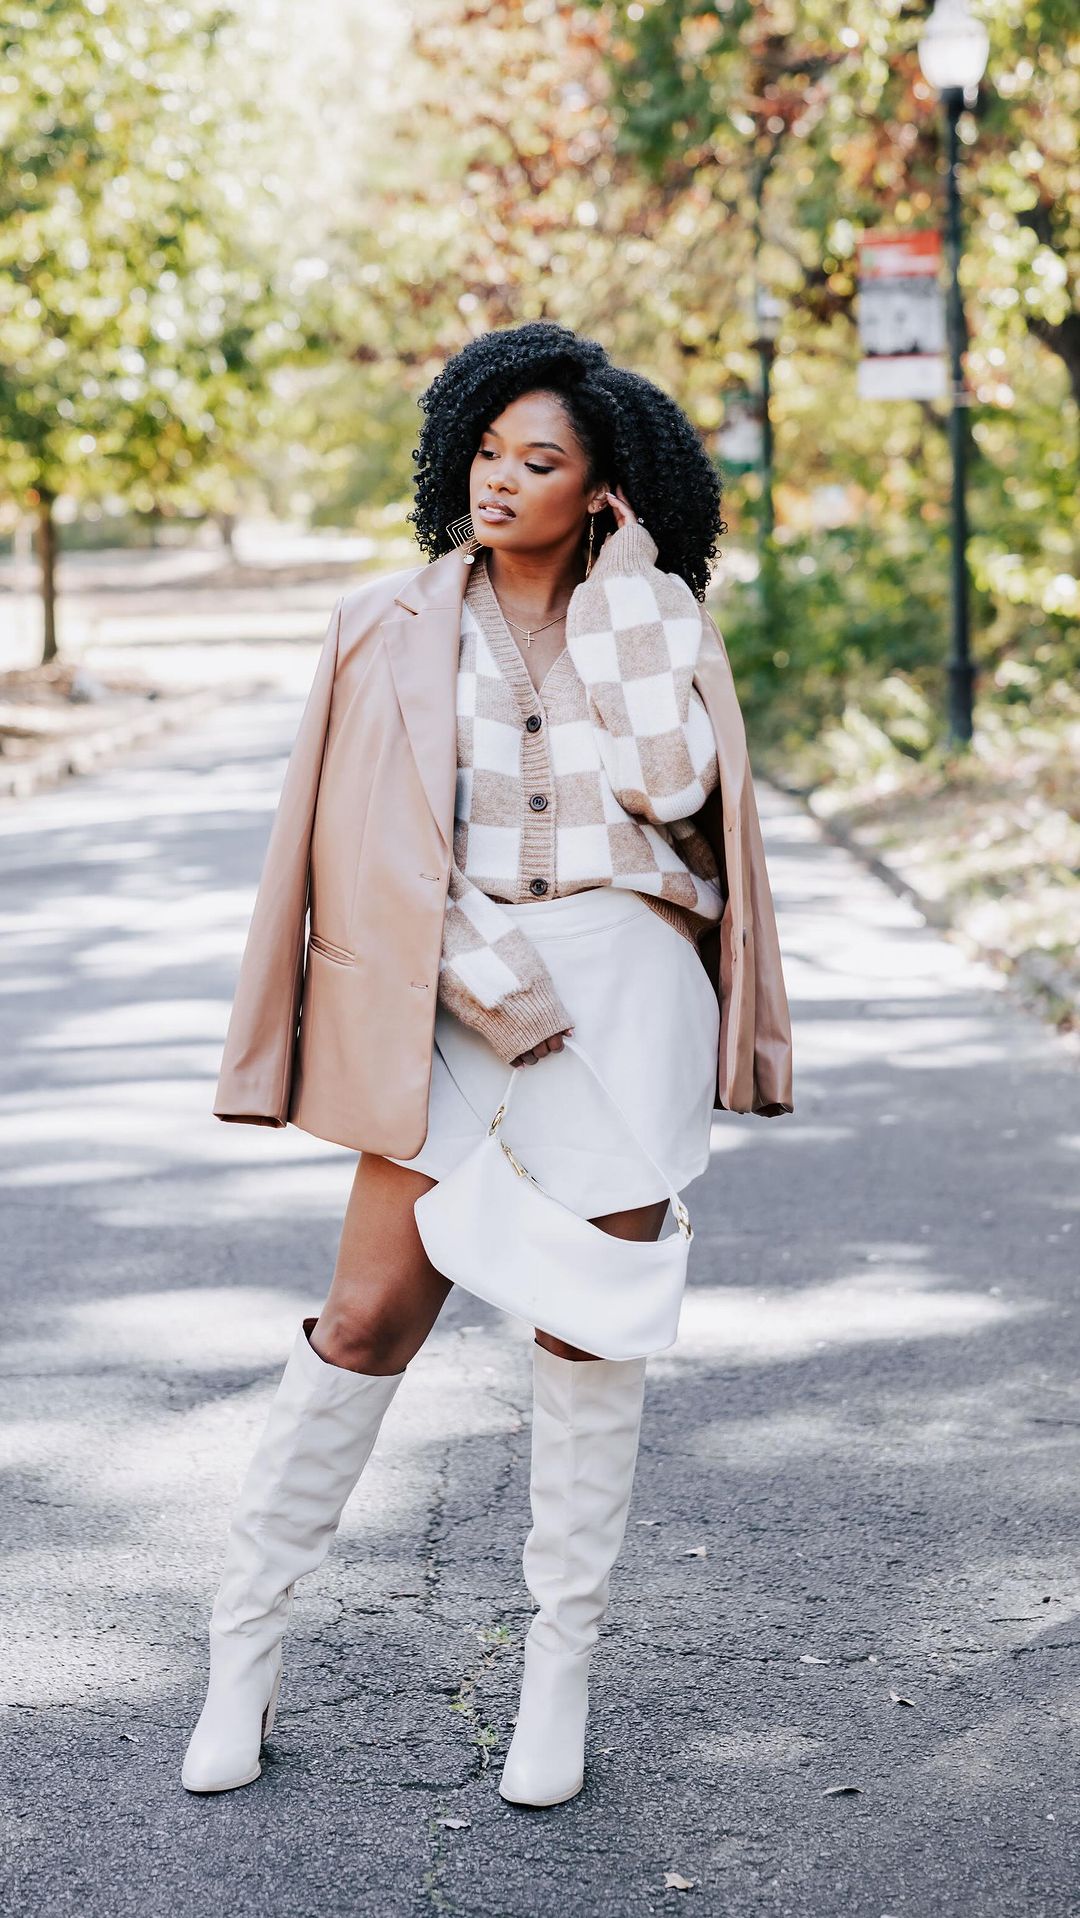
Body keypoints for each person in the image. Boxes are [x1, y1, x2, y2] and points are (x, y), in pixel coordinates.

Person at [182, 319, 793, 1807]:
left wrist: (632, 595)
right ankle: (241, 1652)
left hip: (627, 1000)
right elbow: (366, 848)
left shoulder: (657, 615)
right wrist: (495, 981)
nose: (500, 479)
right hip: (452, 996)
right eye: (486, 449)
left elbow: (670, 785)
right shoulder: (385, 623)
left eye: (542, 461)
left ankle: (558, 1679)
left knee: (589, 1334)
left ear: (605, 488)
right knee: (365, 1318)